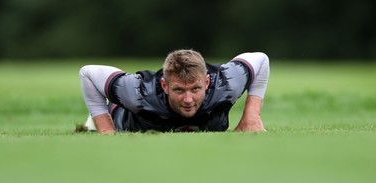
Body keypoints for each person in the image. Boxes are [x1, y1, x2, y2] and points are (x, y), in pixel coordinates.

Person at [79, 49, 269, 134]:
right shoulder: (139, 92)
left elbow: (261, 59)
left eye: (195, 89)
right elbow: (88, 73)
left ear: (207, 82)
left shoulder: (225, 83)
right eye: (179, 90)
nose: (188, 99)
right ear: (164, 86)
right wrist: (105, 128)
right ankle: (93, 119)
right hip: (121, 116)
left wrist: (251, 116)